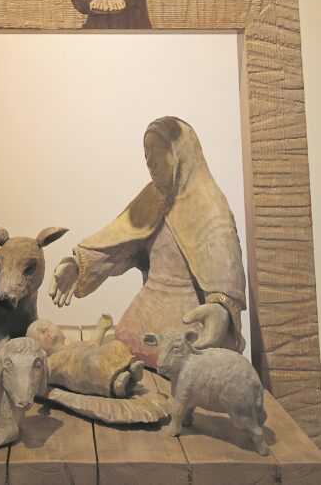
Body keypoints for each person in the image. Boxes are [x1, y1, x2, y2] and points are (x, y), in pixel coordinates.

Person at [49, 117, 246, 368]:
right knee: (119, 349)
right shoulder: (152, 197)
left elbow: (226, 267)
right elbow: (118, 243)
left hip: (188, 320)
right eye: (146, 154)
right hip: (144, 316)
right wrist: (78, 264)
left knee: (188, 363)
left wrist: (220, 308)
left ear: (181, 155)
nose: (150, 162)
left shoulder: (210, 205)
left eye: (158, 153)